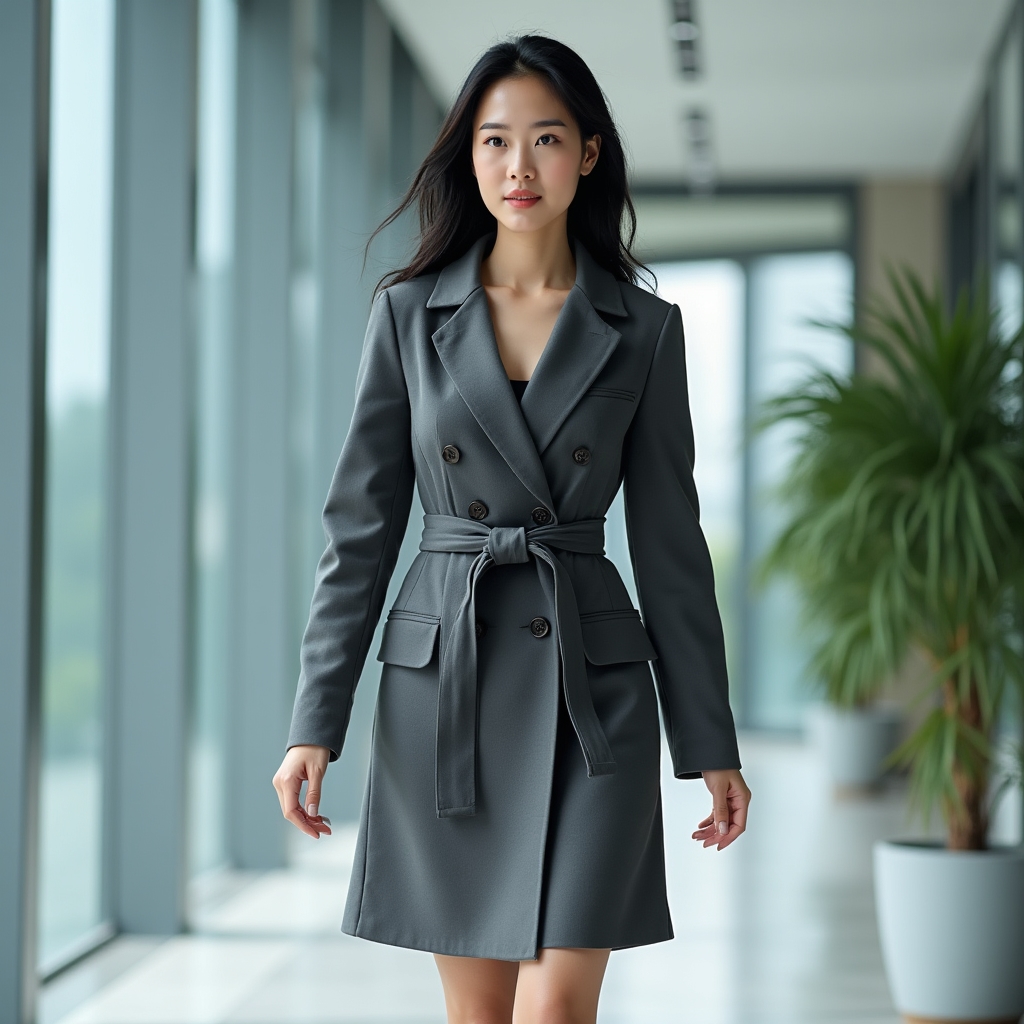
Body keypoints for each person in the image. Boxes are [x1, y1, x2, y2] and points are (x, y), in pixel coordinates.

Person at [272, 33, 751, 1024]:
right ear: (470, 157)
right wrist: (313, 723)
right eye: (494, 142)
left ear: (589, 153)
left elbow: (669, 546)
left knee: (555, 1011)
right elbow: (359, 533)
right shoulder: (407, 319)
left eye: (543, 140)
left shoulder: (643, 330)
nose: (517, 168)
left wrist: (708, 738)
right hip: (448, 688)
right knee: (481, 1015)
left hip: (594, 697)